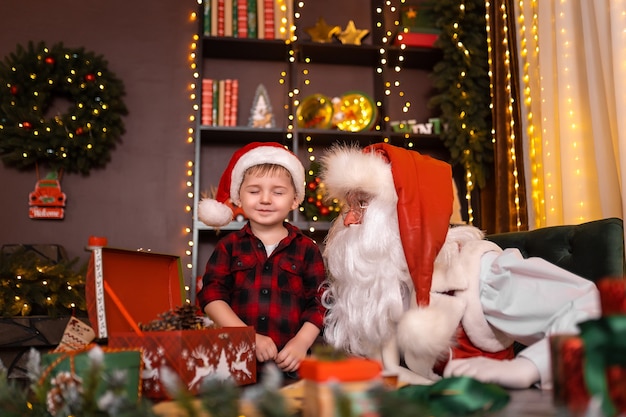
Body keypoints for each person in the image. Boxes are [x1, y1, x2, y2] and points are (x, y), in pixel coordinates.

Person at [319, 142, 600, 389]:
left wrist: (527, 367)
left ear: (404, 211)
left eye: (363, 205)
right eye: (349, 206)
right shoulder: (384, 281)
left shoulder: (476, 270)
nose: (349, 220)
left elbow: (592, 308)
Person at [196, 142, 326, 376]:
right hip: (234, 364)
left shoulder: (308, 250)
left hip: (290, 367)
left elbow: (320, 304)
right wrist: (248, 337)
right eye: (254, 191)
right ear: (239, 197)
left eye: (278, 192)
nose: (265, 199)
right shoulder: (229, 247)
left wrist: (302, 343)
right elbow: (212, 296)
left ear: (295, 200)